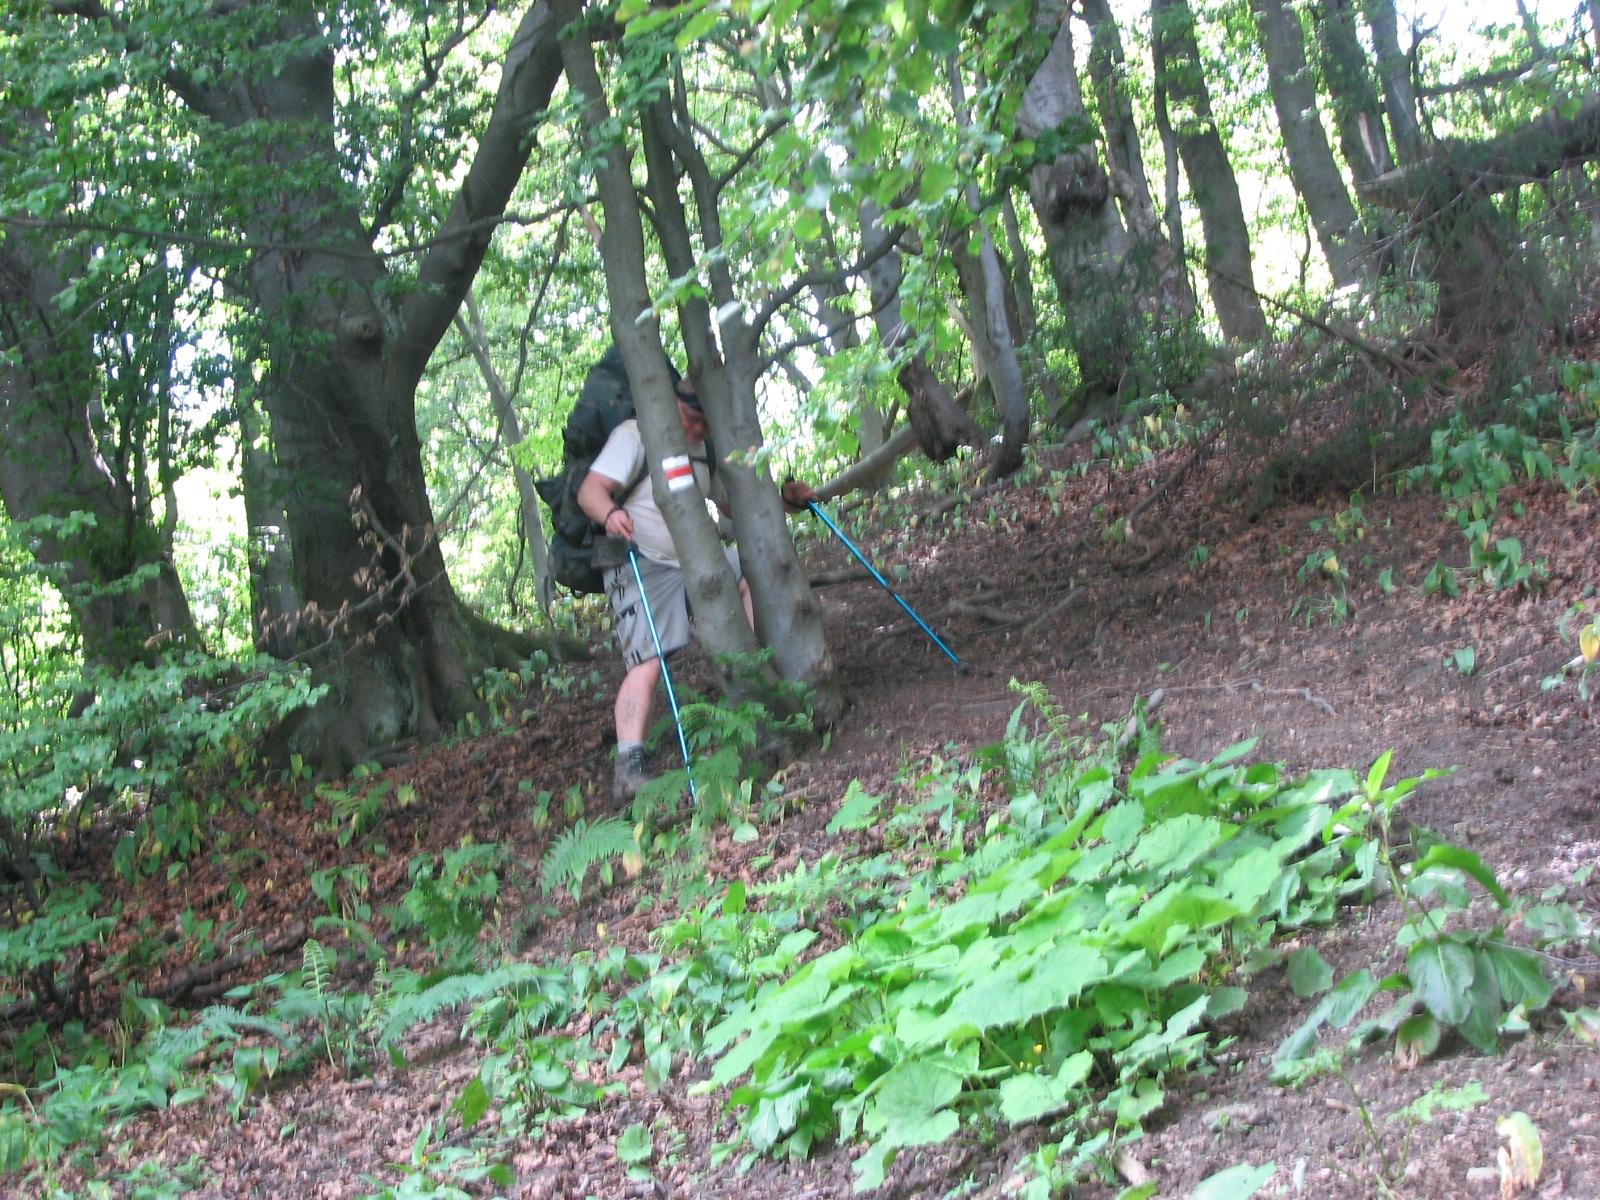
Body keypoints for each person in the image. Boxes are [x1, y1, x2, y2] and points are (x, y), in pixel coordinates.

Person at [577, 375, 817, 800]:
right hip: (640, 560)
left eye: (706, 422)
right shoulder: (635, 435)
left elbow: (734, 505)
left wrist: (784, 501)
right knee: (648, 659)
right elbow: (590, 491)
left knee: (755, 570)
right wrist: (610, 514)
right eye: (691, 418)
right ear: (672, 404)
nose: (698, 428)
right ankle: (630, 765)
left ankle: (755, 681)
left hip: (698, 557)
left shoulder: (706, 449)